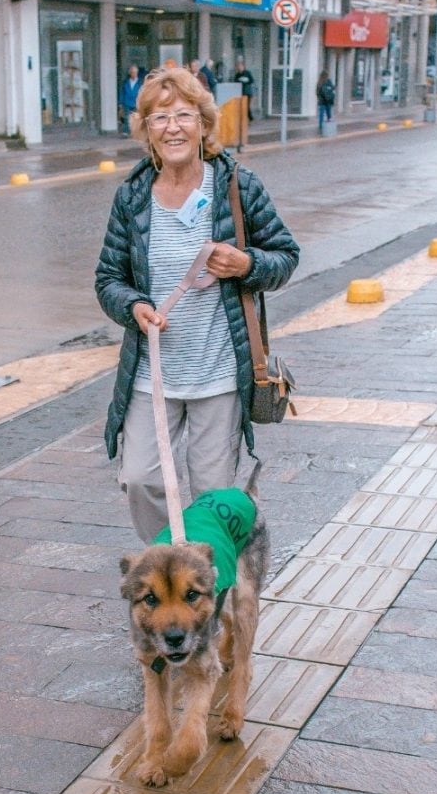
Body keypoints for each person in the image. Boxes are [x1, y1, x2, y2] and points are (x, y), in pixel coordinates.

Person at [94, 66, 299, 543]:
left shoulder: (237, 187)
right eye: (159, 117)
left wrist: (246, 263)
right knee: (141, 478)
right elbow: (108, 278)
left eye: (183, 115)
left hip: (218, 372)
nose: (172, 127)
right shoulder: (132, 197)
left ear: (205, 125)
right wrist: (134, 307)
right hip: (153, 373)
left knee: (211, 492)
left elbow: (286, 256)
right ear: (146, 130)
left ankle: (207, 584)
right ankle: (169, 562)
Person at [119, 64, 143, 135]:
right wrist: (120, 103)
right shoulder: (125, 82)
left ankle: (135, 132)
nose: (134, 74)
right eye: (132, 72)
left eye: (135, 72)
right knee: (127, 118)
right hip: (127, 102)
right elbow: (122, 93)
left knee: (136, 118)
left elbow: (143, 92)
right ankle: (126, 132)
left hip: (136, 103)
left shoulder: (140, 82)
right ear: (130, 73)